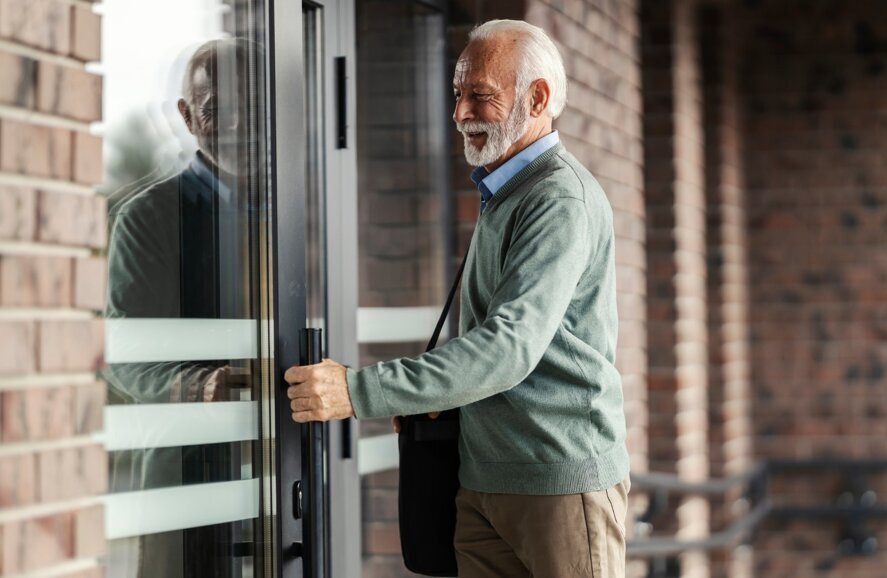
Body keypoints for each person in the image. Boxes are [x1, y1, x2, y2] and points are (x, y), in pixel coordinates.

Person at [284, 19, 630, 577]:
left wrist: (358, 391)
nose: (460, 113)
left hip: (558, 485)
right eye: (457, 94)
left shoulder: (558, 198)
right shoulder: (504, 190)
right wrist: (440, 396)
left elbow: (509, 347)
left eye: (481, 95)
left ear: (537, 98)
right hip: (483, 479)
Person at [105, 38, 257, 578]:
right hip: (191, 469)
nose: (240, 125)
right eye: (220, 110)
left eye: (253, 107)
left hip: (283, 466)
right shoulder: (148, 217)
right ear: (188, 116)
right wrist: (201, 384)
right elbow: (123, 353)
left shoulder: (299, 211)